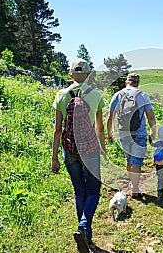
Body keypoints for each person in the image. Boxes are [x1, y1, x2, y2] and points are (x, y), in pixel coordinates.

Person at [51, 58, 107, 253]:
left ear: (70, 75)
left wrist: (55, 157)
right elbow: (99, 128)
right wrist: (104, 149)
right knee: (93, 191)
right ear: (89, 74)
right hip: (90, 150)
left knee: (79, 192)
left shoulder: (61, 95)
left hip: (70, 150)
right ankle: (83, 229)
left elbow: (57, 130)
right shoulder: (97, 95)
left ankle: (85, 236)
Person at [107, 73, 156, 198]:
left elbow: (110, 117)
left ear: (126, 82)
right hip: (139, 133)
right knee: (137, 162)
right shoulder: (142, 95)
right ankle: (135, 188)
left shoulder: (117, 95)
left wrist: (109, 132)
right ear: (138, 83)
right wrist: (153, 131)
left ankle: (132, 184)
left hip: (123, 133)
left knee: (128, 160)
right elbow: (150, 115)